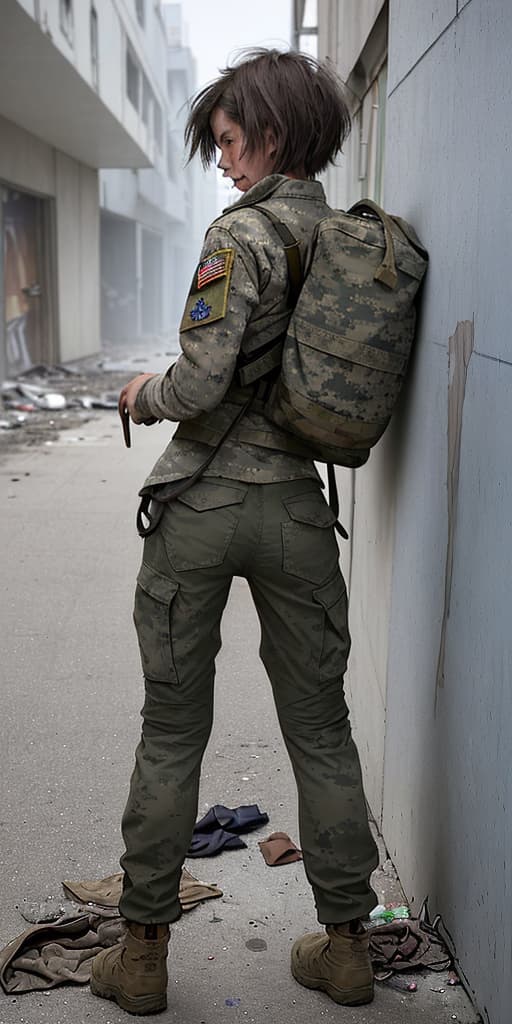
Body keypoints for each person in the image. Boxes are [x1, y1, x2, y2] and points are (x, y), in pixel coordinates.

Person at [90, 48, 379, 1016]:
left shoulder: (238, 238)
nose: (221, 164)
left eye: (226, 142)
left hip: (205, 507)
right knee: (323, 727)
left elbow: (202, 381)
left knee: (172, 729)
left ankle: (140, 960)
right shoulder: (346, 239)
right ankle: (346, 948)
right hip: (299, 511)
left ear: (269, 133)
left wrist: (142, 390)